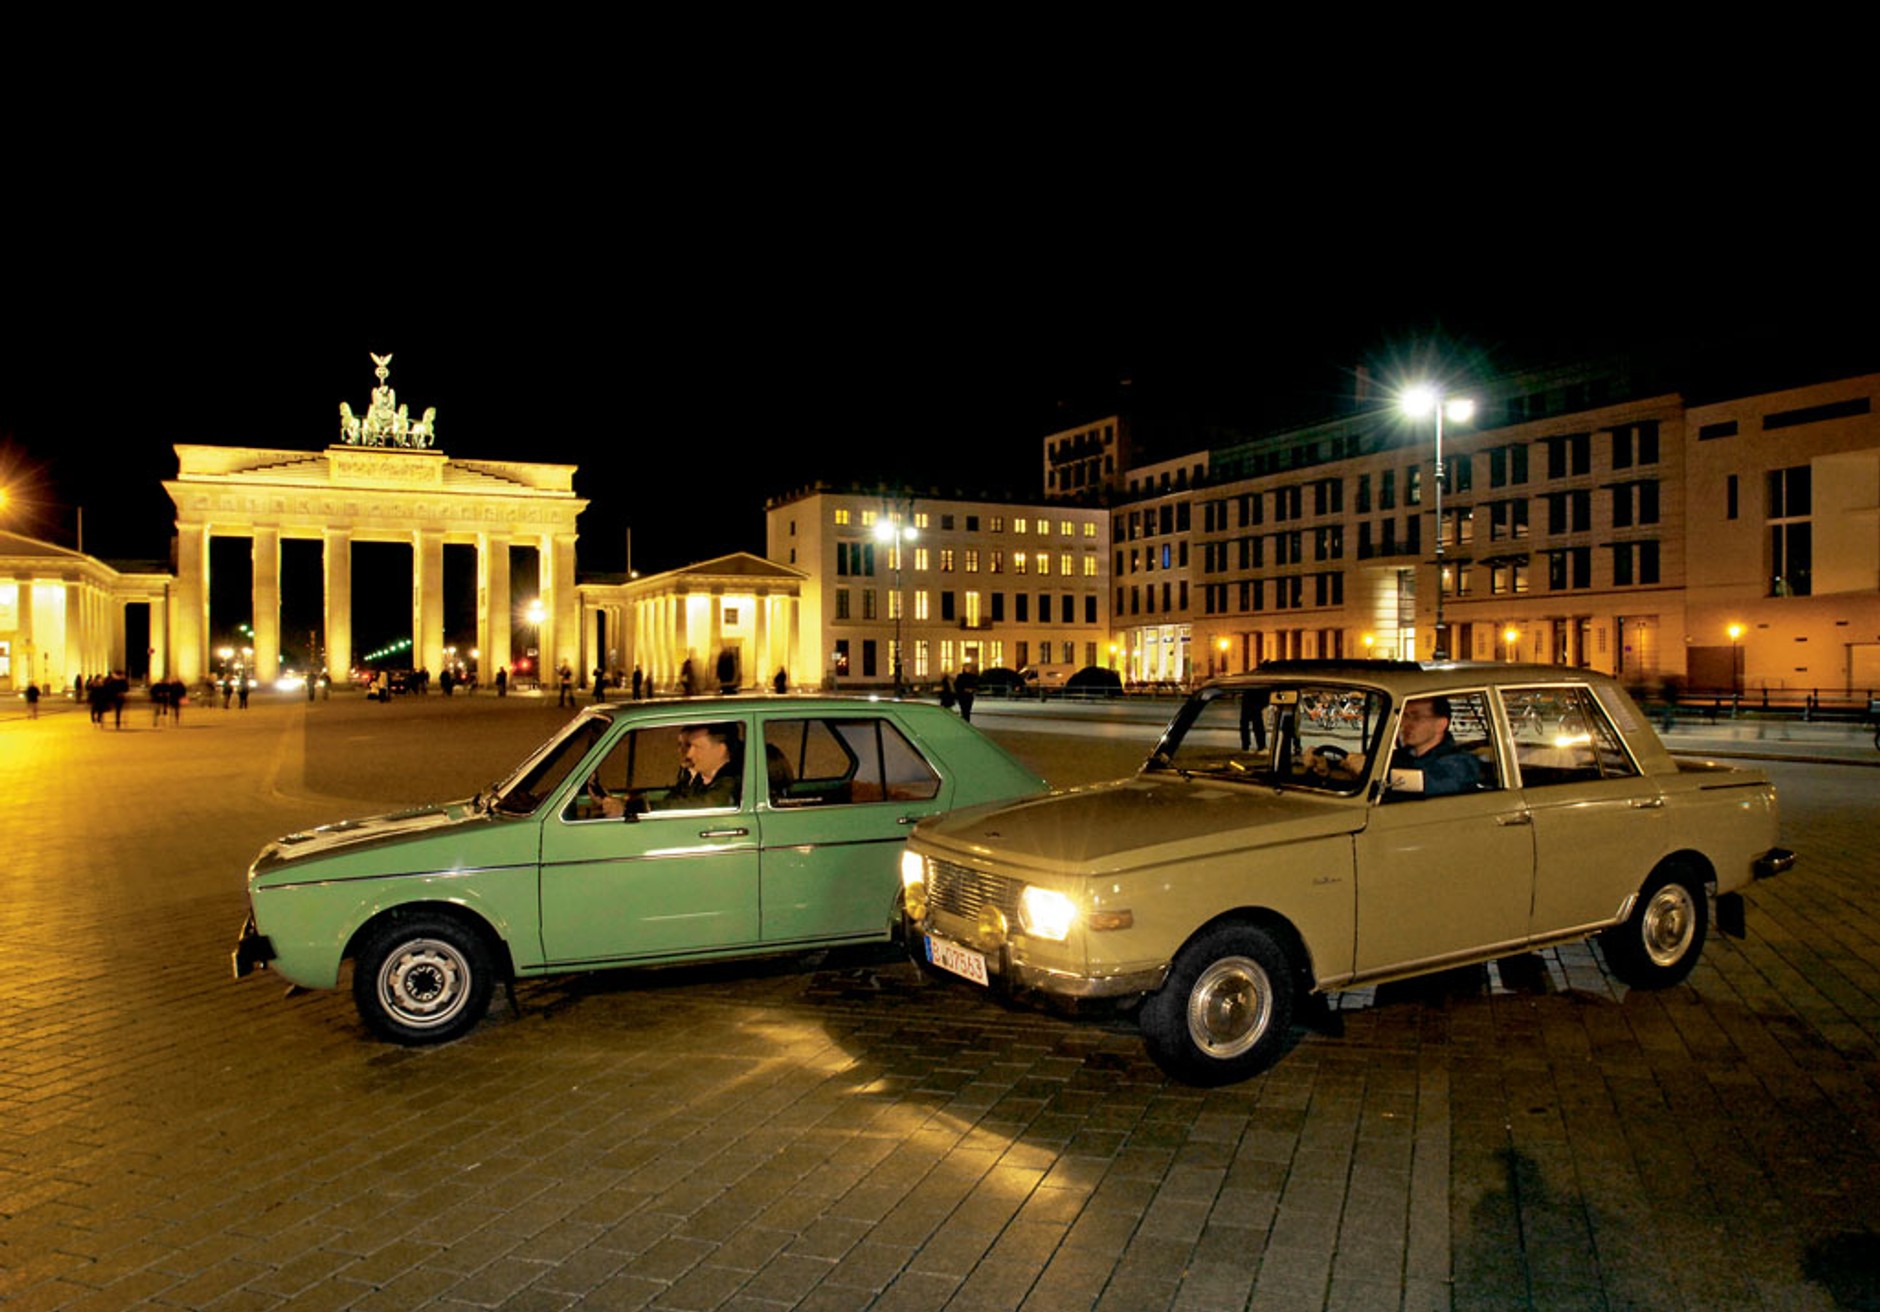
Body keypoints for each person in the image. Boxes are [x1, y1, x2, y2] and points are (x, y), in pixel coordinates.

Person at [1350, 696, 1483, 796]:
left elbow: (1427, 783)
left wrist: (1373, 772)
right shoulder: (1399, 756)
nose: (1405, 724)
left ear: (1440, 725)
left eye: (1416, 717)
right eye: (1405, 716)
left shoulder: (1460, 763)